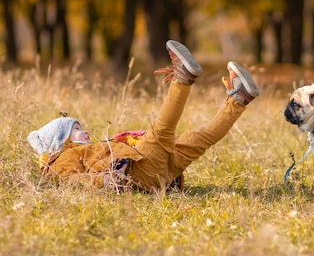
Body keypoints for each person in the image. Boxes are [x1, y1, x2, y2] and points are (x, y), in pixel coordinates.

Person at [27, 40, 259, 192]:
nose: (84, 131)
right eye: (76, 128)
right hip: (140, 170)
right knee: (161, 130)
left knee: (199, 138)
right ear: (60, 140)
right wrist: (107, 180)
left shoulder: (81, 150)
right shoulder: (59, 159)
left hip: (160, 174)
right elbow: (72, 182)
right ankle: (182, 79)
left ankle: (238, 99)